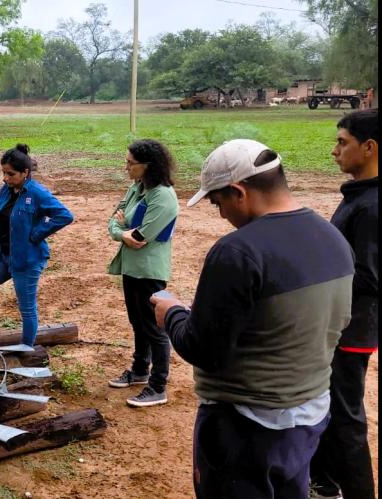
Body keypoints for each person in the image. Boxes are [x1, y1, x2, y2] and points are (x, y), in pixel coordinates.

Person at [151, 139, 354, 498]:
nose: (221, 215)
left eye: (218, 203)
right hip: (308, 417)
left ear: (238, 192)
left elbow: (203, 349)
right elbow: (334, 323)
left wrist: (172, 314)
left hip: (243, 425)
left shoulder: (238, 252)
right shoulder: (333, 239)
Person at [310, 108, 378, 499]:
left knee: (346, 419)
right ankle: (323, 483)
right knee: (326, 407)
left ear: (369, 148)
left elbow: (369, 277)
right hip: (337, 324)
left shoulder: (371, 206)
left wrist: (316, 275)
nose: (335, 151)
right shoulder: (359, 195)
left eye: (342, 142)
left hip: (351, 329)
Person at [0, 144, 72, 346]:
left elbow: (64, 215)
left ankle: (27, 348)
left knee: (27, 309)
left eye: (10, 174)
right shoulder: (6, 191)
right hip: (3, 258)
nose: (5, 178)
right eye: (3, 173)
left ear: (25, 172)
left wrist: (36, 234)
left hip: (26, 261)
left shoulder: (37, 193)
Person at [106, 140, 179, 408]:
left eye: (130, 163)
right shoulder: (137, 188)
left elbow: (141, 236)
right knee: (138, 322)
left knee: (154, 328)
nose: (126, 167)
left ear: (148, 166)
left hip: (149, 271)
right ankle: (139, 371)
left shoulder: (163, 196)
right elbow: (114, 222)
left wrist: (123, 229)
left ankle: (158, 386)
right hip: (131, 267)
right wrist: (121, 231)